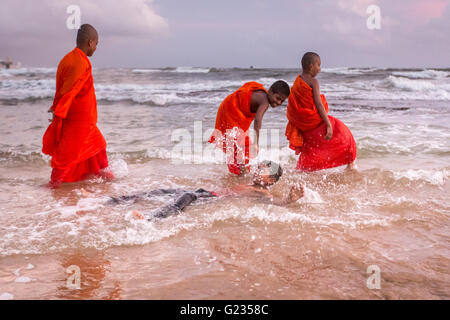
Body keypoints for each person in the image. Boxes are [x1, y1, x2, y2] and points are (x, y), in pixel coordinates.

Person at [107, 161, 304, 220]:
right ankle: (114, 200)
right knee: (162, 191)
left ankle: (152, 219)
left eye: (263, 170)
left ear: (271, 180)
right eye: (259, 167)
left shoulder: (262, 192)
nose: (258, 170)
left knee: (186, 197)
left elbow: (274, 202)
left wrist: (288, 200)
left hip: (209, 198)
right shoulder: (253, 184)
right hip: (204, 191)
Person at [42, 24, 112, 187]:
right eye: (96, 43)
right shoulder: (80, 62)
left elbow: (62, 89)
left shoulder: (67, 59)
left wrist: (57, 107)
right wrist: (59, 112)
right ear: (90, 42)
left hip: (84, 119)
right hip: (79, 120)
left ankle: (101, 177)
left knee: (98, 146)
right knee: (67, 153)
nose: (96, 48)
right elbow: (70, 92)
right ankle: (55, 184)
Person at [285, 52, 357, 171]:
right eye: (318, 65)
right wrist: (328, 124)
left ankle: (302, 170)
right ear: (310, 66)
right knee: (344, 133)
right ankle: (350, 165)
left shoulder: (297, 82)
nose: (319, 69)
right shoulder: (314, 81)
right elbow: (318, 104)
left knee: (310, 147)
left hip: (304, 124)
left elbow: (293, 107)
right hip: (315, 121)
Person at [209, 81, 290, 176]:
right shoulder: (265, 102)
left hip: (229, 107)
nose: (278, 102)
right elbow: (257, 120)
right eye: (278, 98)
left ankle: (240, 173)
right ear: (270, 91)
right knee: (239, 146)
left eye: (282, 101)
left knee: (241, 146)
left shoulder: (262, 95)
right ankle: (240, 174)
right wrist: (256, 143)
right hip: (231, 110)